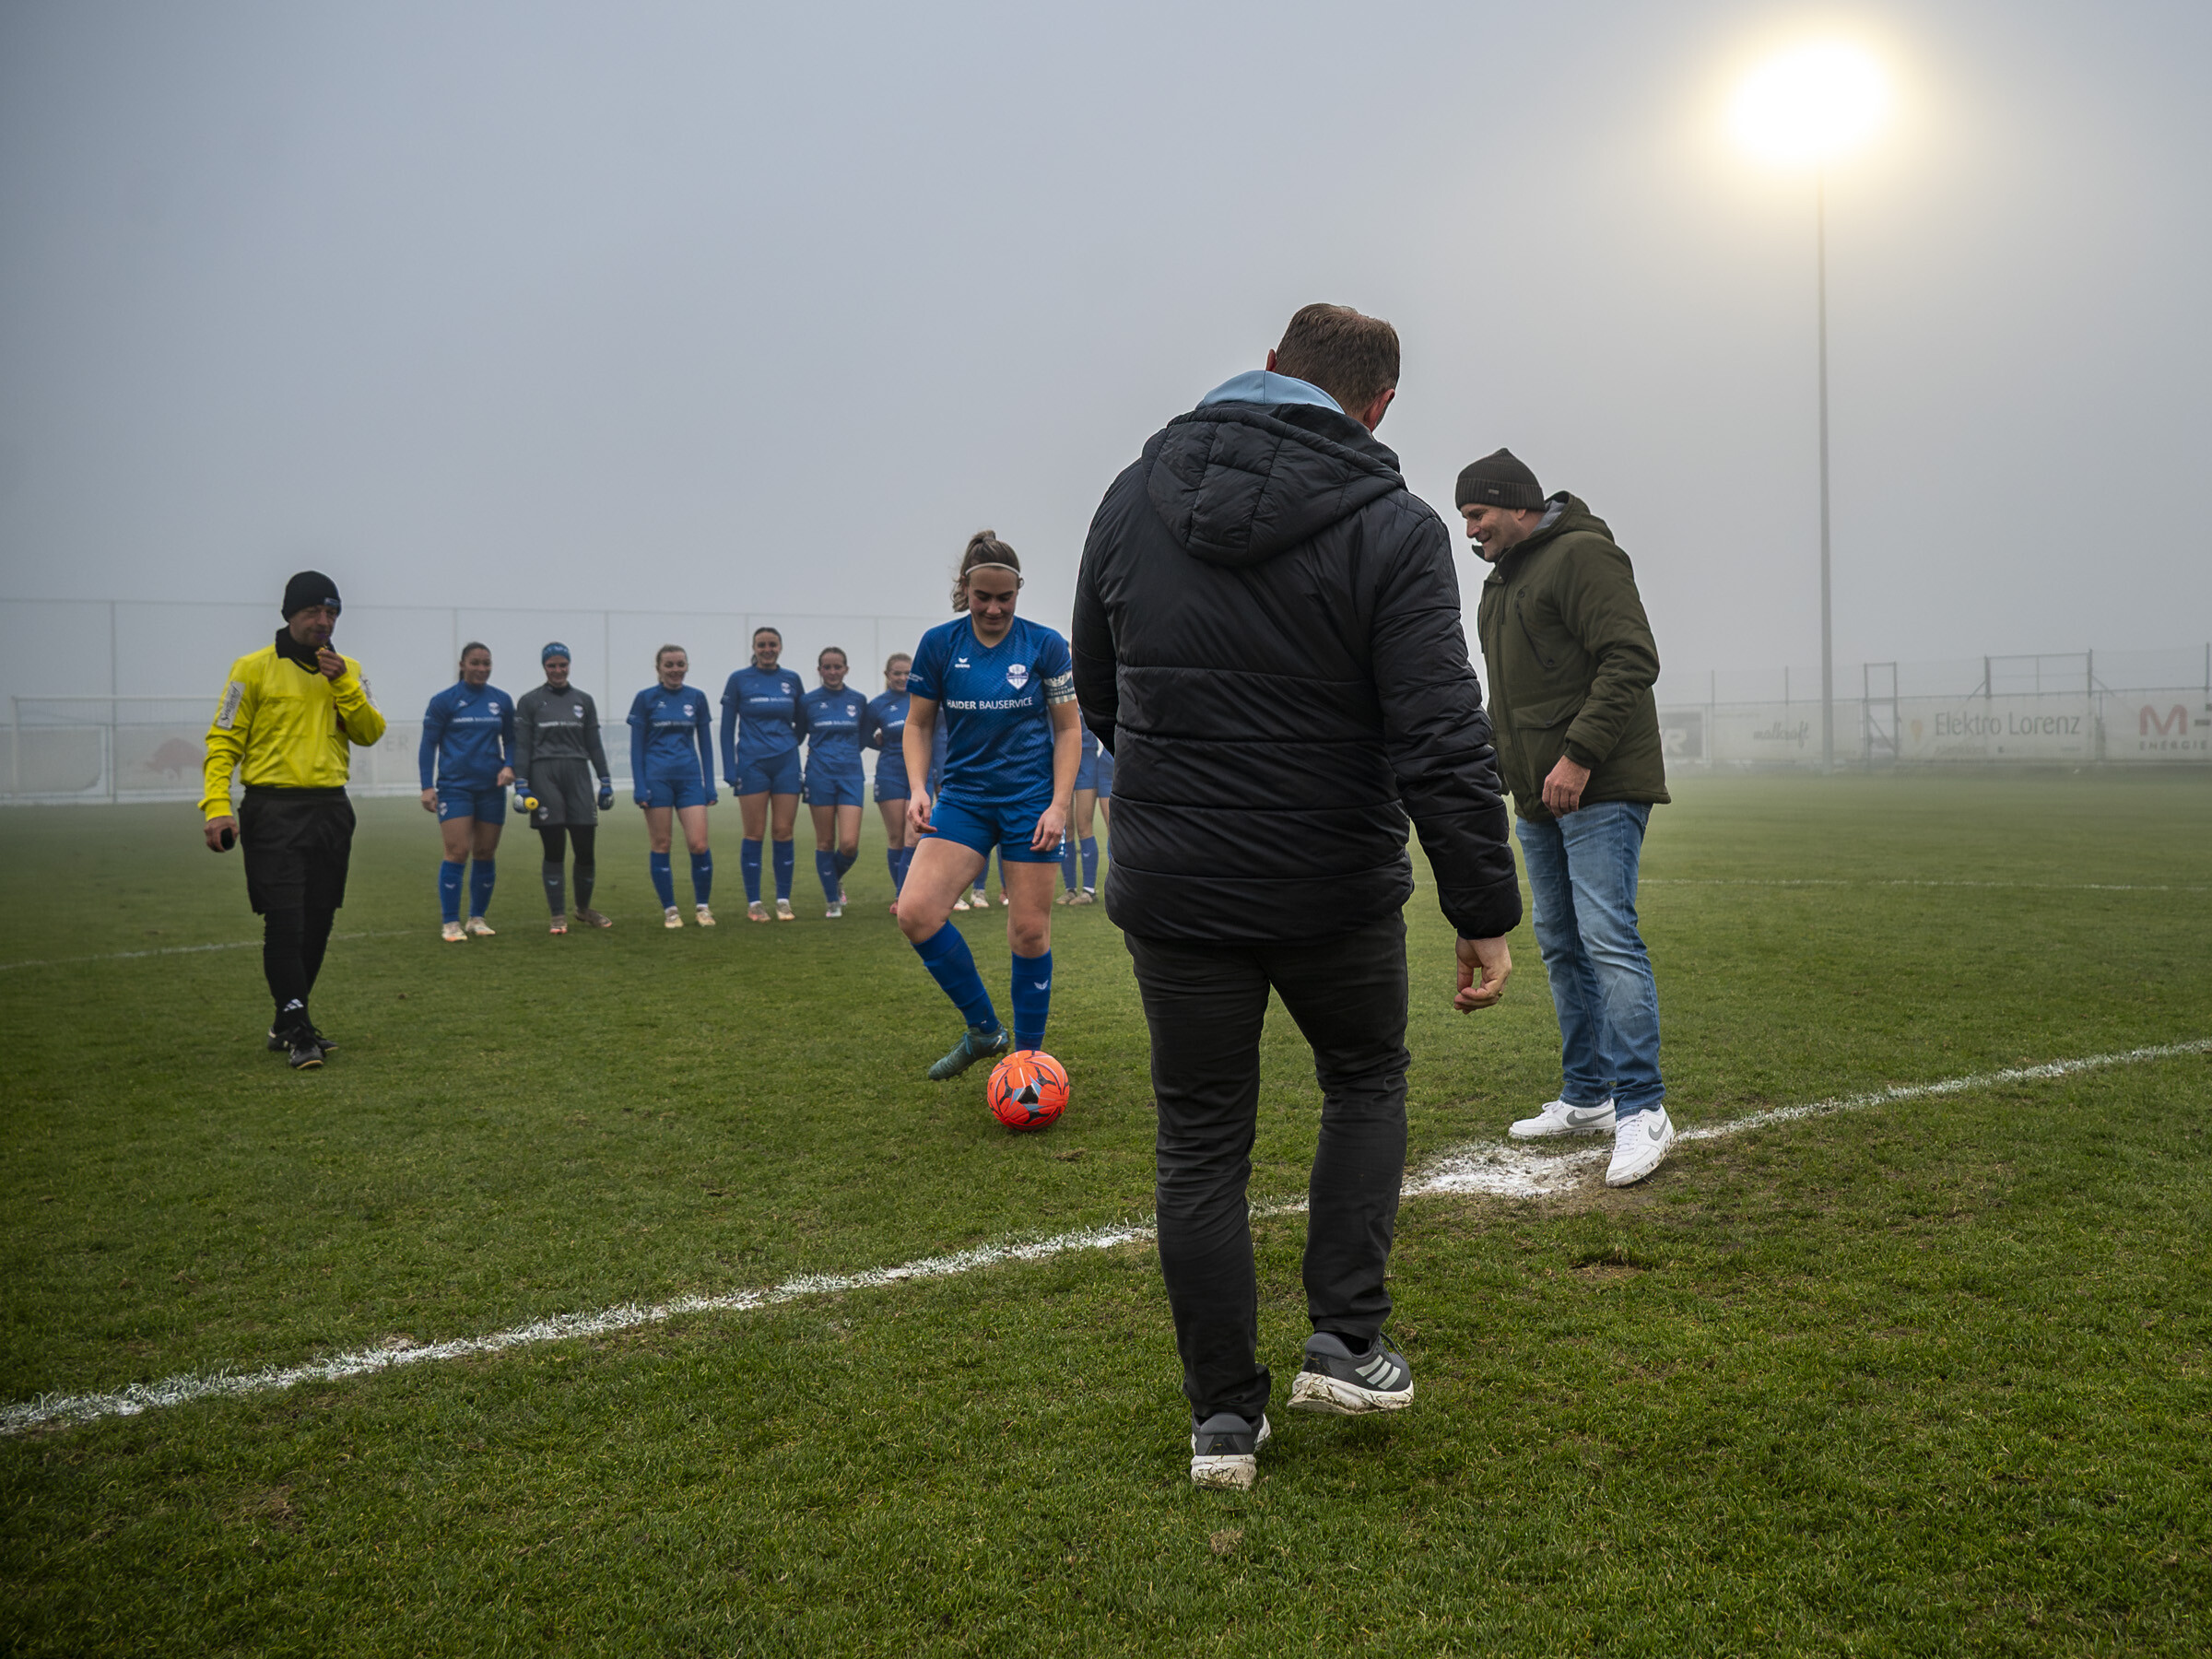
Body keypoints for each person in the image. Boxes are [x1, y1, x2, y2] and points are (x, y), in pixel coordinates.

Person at [1072, 303, 1520, 1488]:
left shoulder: (1131, 494)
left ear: (1270, 367)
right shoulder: (1394, 522)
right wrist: (1483, 907)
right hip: (1332, 883)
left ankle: (1223, 1418)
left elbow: (1099, 688)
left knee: (1200, 1142)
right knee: (1363, 1081)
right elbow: (1441, 734)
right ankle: (1346, 1340)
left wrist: (1184, 789)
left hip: (1178, 884)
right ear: (1378, 407)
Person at [1460, 447, 1675, 1187]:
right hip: (1537, 797)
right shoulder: (1500, 583)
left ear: (1519, 504)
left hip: (1599, 785)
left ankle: (1643, 1107)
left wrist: (1579, 756)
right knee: (1561, 942)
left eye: (1478, 513)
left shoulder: (1583, 554)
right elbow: (1511, 703)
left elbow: (1631, 657)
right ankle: (1589, 1096)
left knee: (1607, 936)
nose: (1470, 530)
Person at [897, 531, 1081, 1079]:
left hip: (1030, 803)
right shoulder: (939, 644)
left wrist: (1058, 805)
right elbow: (918, 724)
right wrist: (918, 787)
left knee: (1029, 931)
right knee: (916, 913)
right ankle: (984, 1030)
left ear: (1019, 590)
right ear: (965, 590)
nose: (994, 609)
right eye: (983, 597)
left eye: (1006, 597)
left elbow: (1068, 729)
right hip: (965, 800)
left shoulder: (1045, 645)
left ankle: (1028, 1062)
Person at [200, 571, 388, 1070]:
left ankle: (286, 1020)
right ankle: (300, 1029)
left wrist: (343, 683)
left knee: (318, 921)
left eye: (332, 612)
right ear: (289, 614)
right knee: (285, 920)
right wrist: (217, 806)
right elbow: (222, 741)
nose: (324, 621)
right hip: (273, 809)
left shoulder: (349, 670)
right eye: (313, 611)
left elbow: (370, 732)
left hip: (332, 809)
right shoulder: (251, 668)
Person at [512, 642, 616, 935]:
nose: (558, 671)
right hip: (544, 775)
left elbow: (594, 744)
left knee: (585, 848)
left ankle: (583, 909)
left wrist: (605, 781)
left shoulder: (584, 700)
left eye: (562, 665)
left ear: (569, 665)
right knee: (554, 847)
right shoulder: (530, 701)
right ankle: (557, 914)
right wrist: (522, 785)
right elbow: (522, 746)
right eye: (552, 665)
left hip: (578, 775)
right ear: (544, 667)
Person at [418, 642, 515, 942]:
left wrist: (509, 766)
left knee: (485, 852)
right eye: (475, 663)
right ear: (462, 665)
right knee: (457, 851)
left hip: (491, 789)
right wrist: (427, 786)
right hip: (455, 788)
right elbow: (428, 744)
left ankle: (476, 919)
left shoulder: (501, 700)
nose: (482, 669)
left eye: (487, 663)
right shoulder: (444, 701)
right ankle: (450, 923)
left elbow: (512, 740)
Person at [720, 627, 806, 923]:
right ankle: (755, 902)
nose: (767, 650)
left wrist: (789, 743)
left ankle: (783, 900)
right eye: (762, 645)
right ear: (754, 648)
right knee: (754, 833)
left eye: (772, 644)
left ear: (780, 647)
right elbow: (726, 728)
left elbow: (802, 722)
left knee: (783, 831)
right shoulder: (739, 680)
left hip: (786, 764)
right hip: (752, 764)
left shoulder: (791, 679)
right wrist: (729, 767)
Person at [627, 645, 716, 928]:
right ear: (659, 668)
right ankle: (670, 910)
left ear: (687, 666)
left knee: (699, 844)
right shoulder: (645, 699)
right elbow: (636, 748)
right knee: (662, 844)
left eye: (680, 664)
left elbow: (706, 745)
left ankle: (703, 908)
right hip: (657, 779)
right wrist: (640, 786)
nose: (675, 670)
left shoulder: (696, 697)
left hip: (689, 779)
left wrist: (710, 784)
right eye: (669, 665)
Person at [801, 648, 868, 918]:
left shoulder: (858, 700)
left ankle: (833, 877)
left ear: (846, 669)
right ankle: (832, 901)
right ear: (819, 670)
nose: (832, 672)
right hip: (819, 775)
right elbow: (798, 734)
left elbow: (864, 737)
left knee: (849, 844)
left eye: (837, 667)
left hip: (851, 775)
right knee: (825, 841)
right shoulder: (808, 701)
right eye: (827, 667)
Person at [862, 652, 914, 912]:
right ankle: (901, 896)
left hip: (919, 775)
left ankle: (905, 896)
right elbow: (863, 736)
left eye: (908, 673)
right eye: (897, 673)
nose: (903, 678)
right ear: (887, 675)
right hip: (890, 773)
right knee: (896, 837)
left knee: (914, 835)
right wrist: (878, 743)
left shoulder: (923, 699)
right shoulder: (877, 705)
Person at [1056, 722, 1110, 905]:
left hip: (1087, 762)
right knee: (1066, 827)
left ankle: (1088, 890)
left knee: (1084, 826)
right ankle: (1070, 889)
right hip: (1063, 760)